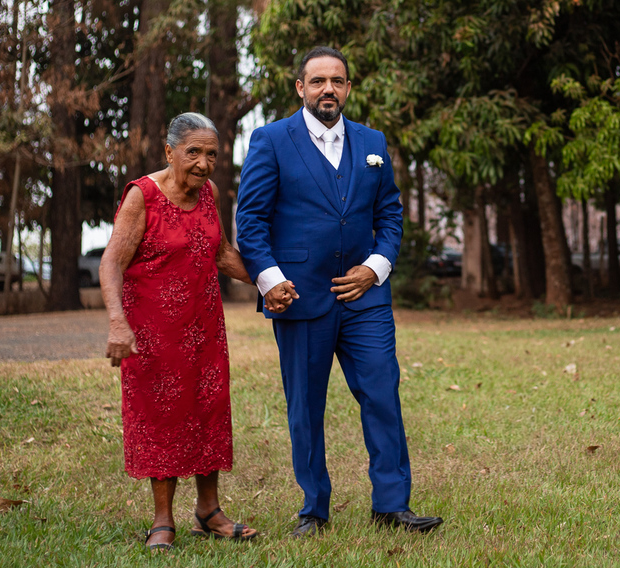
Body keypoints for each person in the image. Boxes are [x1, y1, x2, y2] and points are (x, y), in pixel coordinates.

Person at [235, 46, 443, 538]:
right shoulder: (270, 140)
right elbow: (250, 221)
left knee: (381, 394)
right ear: (300, 88)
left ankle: (391, 505)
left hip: (365, 299)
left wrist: (375, 268)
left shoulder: (373, 141)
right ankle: (314, 508)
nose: (328, 88)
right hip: (300, 296)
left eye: (338, 81)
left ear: (348, 88)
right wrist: (270, 281)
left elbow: (389, 214)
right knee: (305, 406)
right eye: (318, 81)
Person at [101, 112, 262, 552]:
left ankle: (209, 511)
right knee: (162, 417)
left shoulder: (208, 193)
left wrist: (270, 279)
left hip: (205, 328)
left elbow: (221, 253)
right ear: (169, 151)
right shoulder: (143, 195)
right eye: (194, 152)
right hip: (153, 334)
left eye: (212, 154)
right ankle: (162, 520)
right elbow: (112, 261)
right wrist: (117, 321)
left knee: (208, 410)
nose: (204, 163)